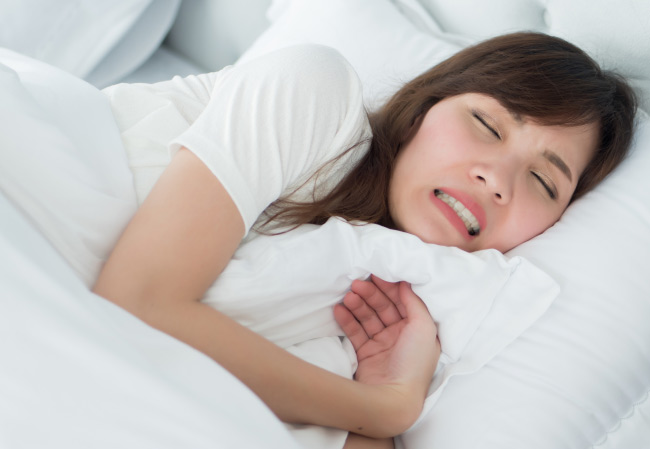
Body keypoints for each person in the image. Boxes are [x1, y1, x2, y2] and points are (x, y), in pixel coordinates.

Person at [93, 32, 636, 447]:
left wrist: (380, 400)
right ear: (423, 110)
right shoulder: (315, 94)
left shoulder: (400, 320)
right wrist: (385, 408)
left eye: (544, 181)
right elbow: (136, 301)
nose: (497, 179)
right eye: (488, 125)